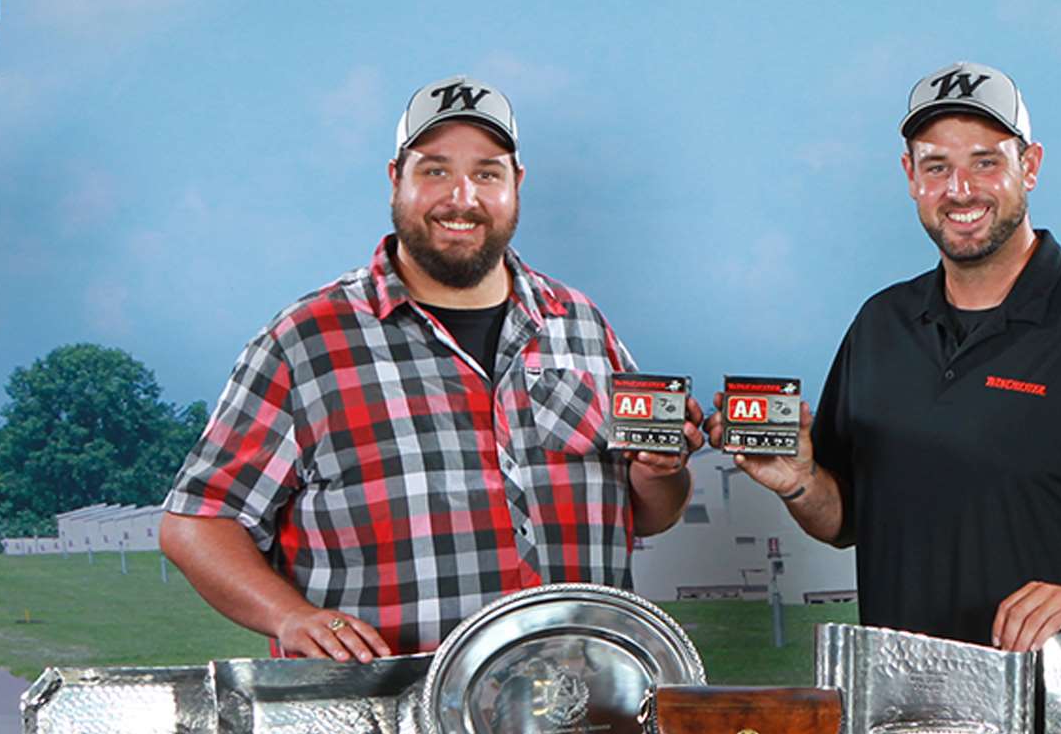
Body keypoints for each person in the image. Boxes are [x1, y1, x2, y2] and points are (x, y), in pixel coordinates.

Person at [711, 61, 1061, 652]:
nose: (960, 190)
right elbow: (844, 520)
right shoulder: (880, 325)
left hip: (1056, 718)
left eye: (985, 162)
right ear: (910, 176)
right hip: (904, 707)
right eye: (937, 167)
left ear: (1030, 166)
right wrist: (800, 482)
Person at [163, 75, 700, 661]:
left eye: (487, 173)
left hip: (579, 708)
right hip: (386, 719)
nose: (461, 198)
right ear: (396, 179)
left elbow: (651, 514)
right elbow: (198, 522)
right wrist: (290, 617)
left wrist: (659, 473)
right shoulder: (307, 340)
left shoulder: (581, 325)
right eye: (435, 170)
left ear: (516, 185)